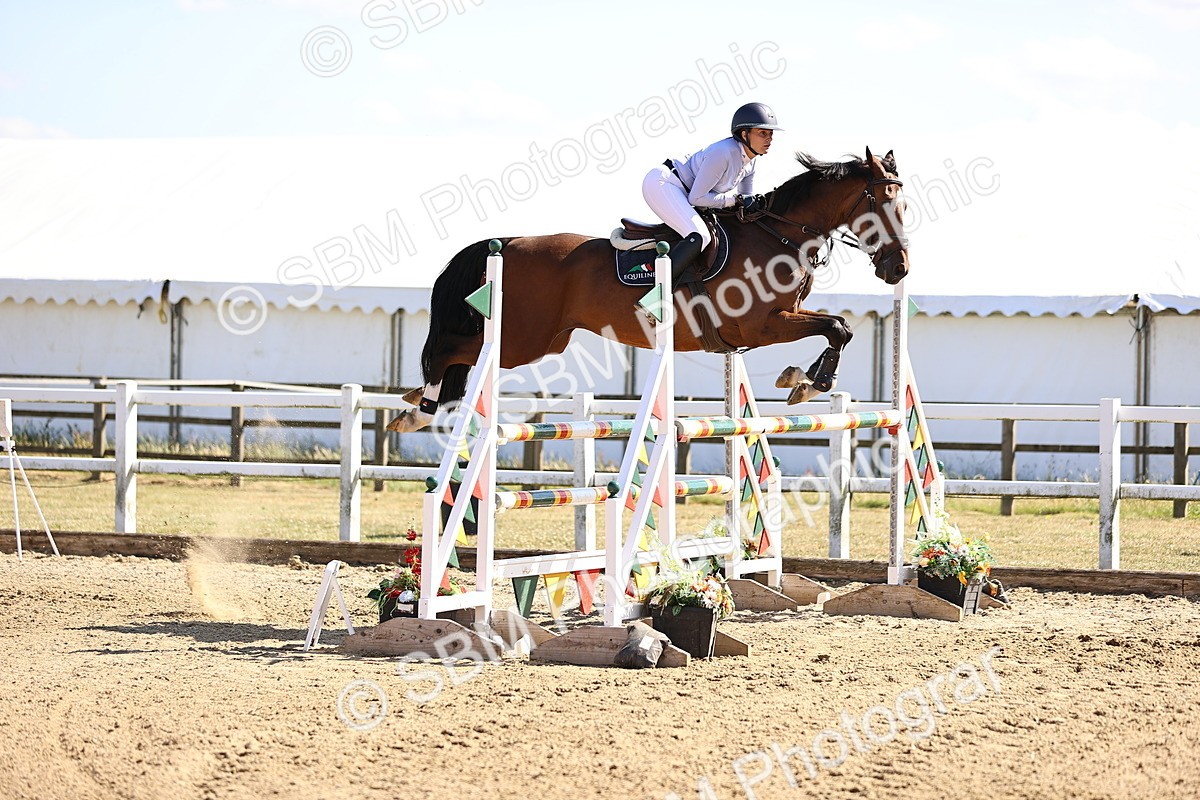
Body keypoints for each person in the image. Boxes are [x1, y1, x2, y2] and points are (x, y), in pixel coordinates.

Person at [642, 102, 782, 280]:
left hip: (684, 192)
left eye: (770, 134)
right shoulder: (724, 152)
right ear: (744, 134)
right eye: (762, 133)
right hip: (664, 184)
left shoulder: (751, 162)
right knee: (699, 235)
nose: (769, 139)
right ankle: (656, 293)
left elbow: (745, 200)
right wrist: (735, 200)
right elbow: (697, 198)